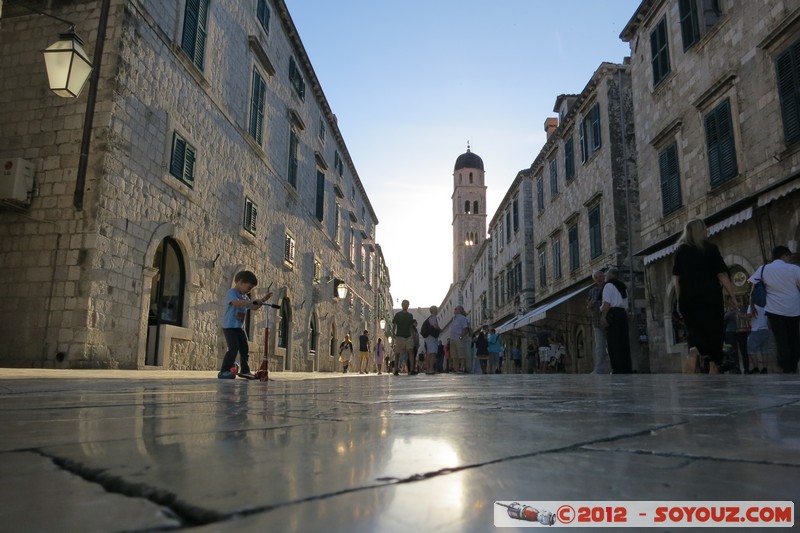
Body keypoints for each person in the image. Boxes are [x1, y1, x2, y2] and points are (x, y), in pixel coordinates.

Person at [672, 219, 738, 373]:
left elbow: (677, 280)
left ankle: (694, 350)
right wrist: (732, 296)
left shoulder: (680, 250)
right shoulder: (710, 248)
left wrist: (679, 300)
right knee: (713, 334)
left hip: (688, 299)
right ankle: (714, 363)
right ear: (700, 231)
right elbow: (721, 274)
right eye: (705, 229)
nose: (707, 231)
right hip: (710, 299)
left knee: (694, 333)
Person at [749, 245, 800, 373]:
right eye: (789, 256)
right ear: (784, 255)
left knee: (781, 339)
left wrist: (752, 306)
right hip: (794, 308)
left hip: (774, 310)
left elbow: (752, 285)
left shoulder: (764, 268)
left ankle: (785, 366)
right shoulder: (794, 268)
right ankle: (793, 364)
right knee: (794, 337)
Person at [218, 270, 272, 379]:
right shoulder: (232, 293)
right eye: (249, 287)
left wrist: (261, 300)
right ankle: (224, 371)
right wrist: (251, 302)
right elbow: (236, 303)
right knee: (233, 348)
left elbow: (254, 307)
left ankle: (245, 370)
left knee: (244, 348)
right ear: (241, 282)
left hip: (239, 327)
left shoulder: (245, 297)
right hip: (229, 327)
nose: (249, 291)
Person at [600, 268, 633, 374]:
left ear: (610, 275)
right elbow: (626, 305)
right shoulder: (622, 286)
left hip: (613, 313)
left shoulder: (608, 285)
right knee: (624, 342)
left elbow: (606, 303)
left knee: (613, 342)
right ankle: (626, 368)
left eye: (606, 275)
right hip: (622, 314)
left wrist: (603, 316)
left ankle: (616, 368)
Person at [587, 270, 610, 374]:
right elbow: (588, 306)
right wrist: (589, 305)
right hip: (596, 321)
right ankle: (599, 369)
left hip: (609, 321)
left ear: (604, 277)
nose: (599, 279)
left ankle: (613, 368)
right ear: (594, 279)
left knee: (611, 345)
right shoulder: (592, 291)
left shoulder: (608, 288)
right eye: (597, 277)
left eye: (601, 276)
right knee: (600, 346)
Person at [391, 300, 414, 376]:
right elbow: (394, 324)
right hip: (399, 336)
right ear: (402, 305)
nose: (405, 305)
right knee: (397, 353)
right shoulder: (398, 315)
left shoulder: (410, 316)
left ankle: (412, 369)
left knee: (410, 352)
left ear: (408, 305)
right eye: (404, 304)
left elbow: (411, 326)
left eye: (407, 304)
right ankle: (396, 369)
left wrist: (412, 335)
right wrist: (393, 333)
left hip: (408, 336)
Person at [746, 303, 771, 373]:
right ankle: (765, 369)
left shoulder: (751, 306)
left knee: (751, 350)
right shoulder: (766, 305)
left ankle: (756, 367)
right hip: (765, 329)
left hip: (755, 330)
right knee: (764, 350)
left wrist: (740, 315)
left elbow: (748, 317)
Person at [449, 305, 471, 372]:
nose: (454, 310)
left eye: (456, 309)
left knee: (461, 354)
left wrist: (461, 336)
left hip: (458, 338)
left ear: (460, 310)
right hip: (452, 338)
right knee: (454, 354)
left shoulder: (462, 318)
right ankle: (456, 368)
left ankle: (462, 367)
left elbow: (464, 328)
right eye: (455, 309)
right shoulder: (454, 318)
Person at [421, 306, 441, 375]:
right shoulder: (433, 317)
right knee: (432, 353)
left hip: (429, 337)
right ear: (434, 310)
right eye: (436, 309)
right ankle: (430, 369)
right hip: (432, 337)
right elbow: (435, 326)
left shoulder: (429, 318)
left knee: (429, 352)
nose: (437, 311)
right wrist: (439, 329)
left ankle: (428, 368)